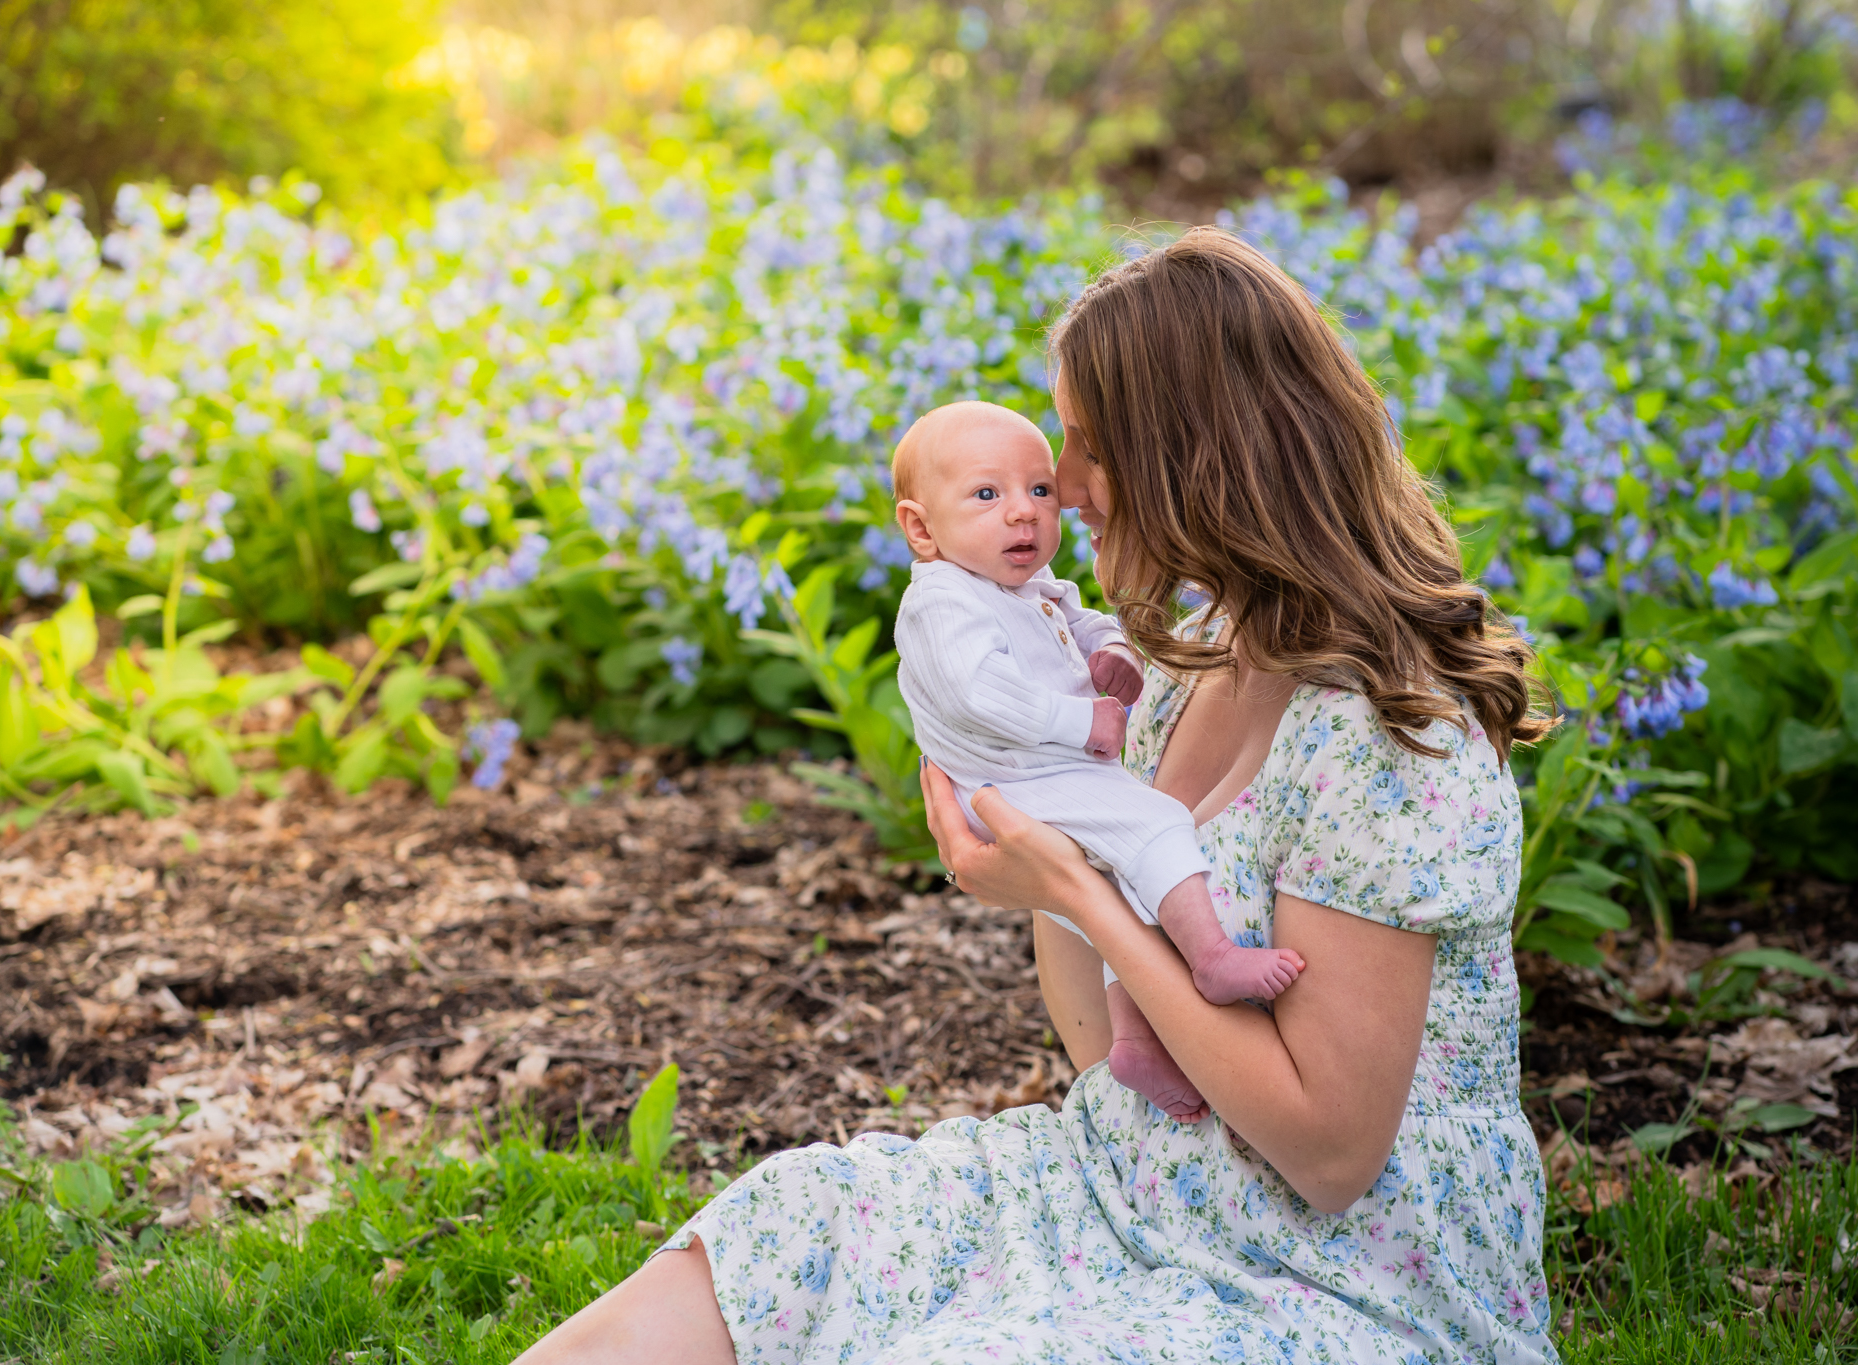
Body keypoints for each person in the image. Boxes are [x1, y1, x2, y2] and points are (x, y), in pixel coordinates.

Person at [514, 225, 1559, 1365]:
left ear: (1197, 459)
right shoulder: (1188, 660)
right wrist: (1025, 817)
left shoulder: (1390, 735)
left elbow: (1326, 1152)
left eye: (1086, 448)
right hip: (1125, 1181)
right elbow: (1100, 1051)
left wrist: (1076, 888)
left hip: (1340, 1275)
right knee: (792, 1225)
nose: (1056, 486)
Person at [889, 398, 1306, 1120]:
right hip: (1014, 780)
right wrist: (1085, 719)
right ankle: (1209, 957)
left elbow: (1077, 619)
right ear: (920, 528)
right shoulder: (942, 603)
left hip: (1039, 773)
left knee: (1124, 882)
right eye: (988, 494)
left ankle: (1136, 1038)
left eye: (1038, 489)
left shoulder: (1022, 585)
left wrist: (1109, 649)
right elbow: (980, 692)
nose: (1027, 511)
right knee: (1155, 825)